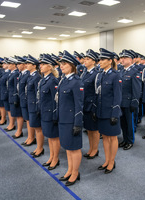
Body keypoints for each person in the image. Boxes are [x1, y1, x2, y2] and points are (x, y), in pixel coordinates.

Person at [56, 50, 84, 186]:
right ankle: (69, 170)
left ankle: (75, 173)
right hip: (63, 119)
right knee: (67, 147)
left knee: (74, 148)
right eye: (61, 64)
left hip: (72, 120)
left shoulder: (76, 82)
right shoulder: (63, 80)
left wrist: (77, 123)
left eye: (64, 64)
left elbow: (79, 105)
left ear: (72, 65)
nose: (61, 66)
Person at [95, 48, 122, 174]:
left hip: (111, 112)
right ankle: (106, 160)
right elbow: (99, 94)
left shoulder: (115, 75)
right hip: (102, 111)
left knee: (112, 138)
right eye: (99, 59)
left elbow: (117, 96)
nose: (99, 61)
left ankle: (112, 161)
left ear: (109, 61)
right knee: (105, 137)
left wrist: (115, 113)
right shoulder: (101, 74)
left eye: (102, 59)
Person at [36, 55, 60, 164]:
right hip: (44, 113)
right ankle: (51, 156)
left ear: (50, 67)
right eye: (41, 64)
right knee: (49, 137)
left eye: (43, 64)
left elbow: (56, 100)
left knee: (54, 137)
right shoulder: (43, 80)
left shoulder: (53, 81)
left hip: (51, 114)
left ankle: (55, 159)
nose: (40, 66)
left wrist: (55, 115)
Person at [118, 50, 141, 149]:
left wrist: (134, 102)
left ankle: (130, 140)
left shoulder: (135, 71)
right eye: (121, 58)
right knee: (123, 123)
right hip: (121, 102)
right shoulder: (122, 71)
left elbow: (136, 89)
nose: (122, 60)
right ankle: (125, 139)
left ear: (131, 60)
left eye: (125, 58)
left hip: (129, 102)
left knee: (129, 123)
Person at [81, 49, 100, 159]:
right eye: (85, 59)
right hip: (85, 105)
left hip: (92, 105)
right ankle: (91, 148)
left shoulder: (96, 74)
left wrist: (94, 107)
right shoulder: (84, 73)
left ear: (93, 61)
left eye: (88, 59)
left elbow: (97, 92)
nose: (85, 61)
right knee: (89, 129)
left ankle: (95, 150)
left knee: (95, 130)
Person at [25, 55, 42, 149]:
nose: (26, 65)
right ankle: (31, 138)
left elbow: (38, 94)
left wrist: (37, 107)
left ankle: (39, 148)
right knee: (33, 125)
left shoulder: (37, 77)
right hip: (30, 104)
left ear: (34, 66)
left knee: (38, 128)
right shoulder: (30, 76)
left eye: (28, 64)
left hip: (34, 106)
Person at [0, 58, 10, 126]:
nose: (3, 65)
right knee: (3, 107)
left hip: (6, 93)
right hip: (2, 91)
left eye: (5, 63)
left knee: (8, 109)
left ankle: (10, 124)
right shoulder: (4, 72)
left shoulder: (9, 73)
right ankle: (3, 118)